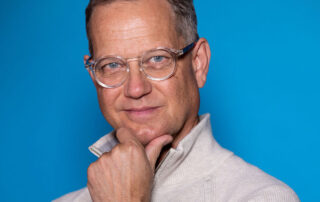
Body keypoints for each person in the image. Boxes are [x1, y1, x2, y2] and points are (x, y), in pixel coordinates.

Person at [55, 0, 299, 201]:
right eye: (113, 65)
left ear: (198, 63)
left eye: (158, 59)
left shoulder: (264, 197)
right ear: (94, 76)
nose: (136, 88)